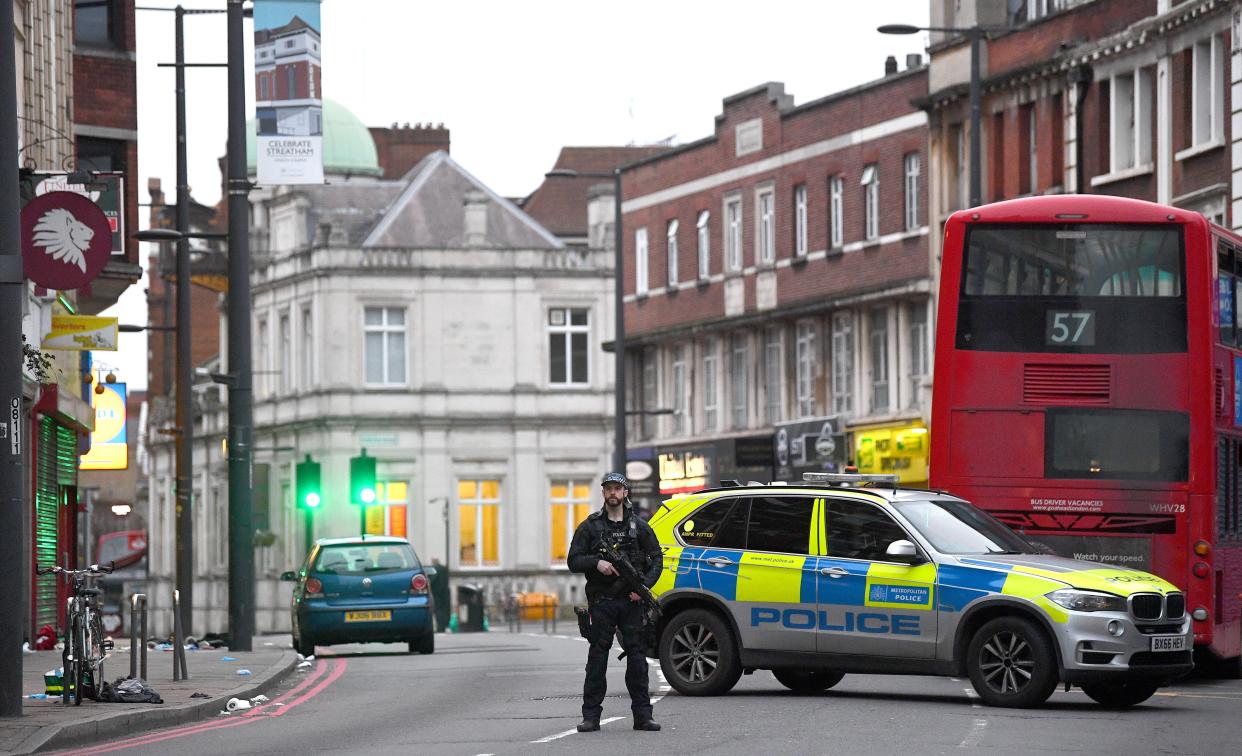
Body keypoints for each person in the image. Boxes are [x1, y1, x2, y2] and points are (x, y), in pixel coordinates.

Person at [566, 472, 663, 733]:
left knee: (638, 659)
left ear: (625, 493)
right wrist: (597, 562)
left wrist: (642, 588)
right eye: (608, 489)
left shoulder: (640, 527)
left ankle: (643, 716)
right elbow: (573, 559)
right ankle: (591, 717)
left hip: (631, 603)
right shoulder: (591, 527)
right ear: (603, 493)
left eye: (617, 489)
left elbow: (657, 560)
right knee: (597, 657)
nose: (613, 493)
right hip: (603, 601)